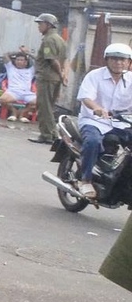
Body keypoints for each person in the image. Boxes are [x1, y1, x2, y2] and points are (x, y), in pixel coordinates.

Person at [74, 43, 132, 197]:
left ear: (129, 62)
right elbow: (86, 97)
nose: (119, 62)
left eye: (123, 59)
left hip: (122, 123)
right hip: (94, 121)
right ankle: (85, 179)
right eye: (115, 59)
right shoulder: (94, 76)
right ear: (107, 60)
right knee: (92, 141)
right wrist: (97, 108)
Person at [34, 12, 70, 144]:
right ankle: (52, 133)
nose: (39, 26)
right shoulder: (60, 39)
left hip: (47, 77)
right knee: (49, 106)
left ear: (48, 25)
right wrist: (63, 75)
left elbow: (52, 60)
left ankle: (47, 135)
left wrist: (61, 74)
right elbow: (65, 59)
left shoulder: (49, 40)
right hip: (54, 78)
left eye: (41, 24)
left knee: (45, 107)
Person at [0, 49, 37, 125]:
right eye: (17, 60)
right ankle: (14, 111)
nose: (19, 61)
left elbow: (39, 61)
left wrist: (27, 53)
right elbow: (5, 54)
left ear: (26, 62)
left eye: (22, 60)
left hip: (27, 93)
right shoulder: (10, 67)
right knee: (2, 100)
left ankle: (23, 113)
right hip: (13, 92)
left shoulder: (31, 70)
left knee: (41, 104)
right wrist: (18, 52)